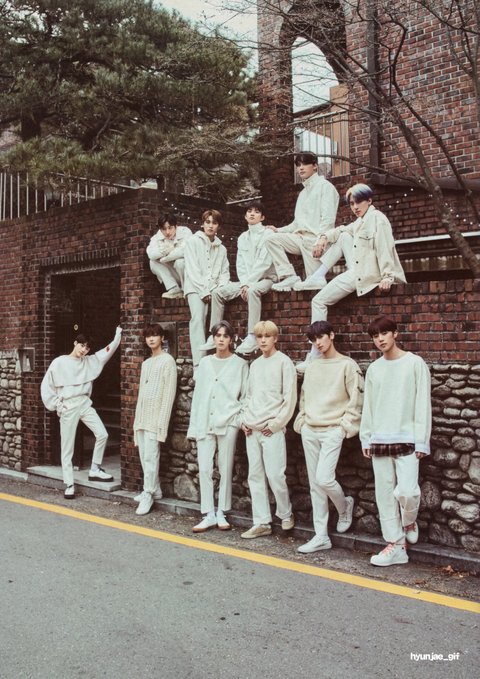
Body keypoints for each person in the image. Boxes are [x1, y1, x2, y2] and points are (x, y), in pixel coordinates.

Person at [295, 184, 407, 371]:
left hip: (365, 274)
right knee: (343, 236)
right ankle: (318, 275)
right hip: (356, 268)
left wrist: (388, 276)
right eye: (352, 204)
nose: (355, 207)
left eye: (358, 202)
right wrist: (322, 238)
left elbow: (385, 247)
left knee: (318, 301)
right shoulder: (360, 222)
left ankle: (315, 355)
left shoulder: (378, 219)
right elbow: (340, 230)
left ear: (369, 200)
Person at [360, 316, 432, 567]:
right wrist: (366, 437)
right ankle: (396, 545)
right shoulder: (374, 369)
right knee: (384, 494)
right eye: (375, 336)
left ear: (395, 333)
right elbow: (368, 406)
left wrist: (422, 441)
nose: (380, 339)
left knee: (408, 492)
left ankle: (409, 521)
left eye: (384, 333)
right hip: (379, 438)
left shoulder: (415, 363)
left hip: (408, 439)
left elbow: (423, 404)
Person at [294, 321, 363, 553]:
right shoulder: (313, 366)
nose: (318, 343)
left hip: (333, 428)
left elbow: (356, 400)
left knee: (324, 478)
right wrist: (303, 421)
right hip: (310, 428)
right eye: (313, 340)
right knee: (315, 484)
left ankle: (344, 507)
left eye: (321, 337)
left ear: (331, 335)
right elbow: (304, 396)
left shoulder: (347, 365)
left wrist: (344, 427)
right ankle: (321, 535)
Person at [41, 327, 122, 499]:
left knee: (102, 434)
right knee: (67, 447)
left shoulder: (89, 361)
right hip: (68, 405)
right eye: (82, 345)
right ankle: (69, 483)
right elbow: (46, 387)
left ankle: (95, 468)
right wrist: (57, 405)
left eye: (87, 348)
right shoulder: (59, 362)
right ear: (75, 343)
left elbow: (107, 352)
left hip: (84, 403)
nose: (84, 350)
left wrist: (118, 335)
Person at [187, 321, 248, 533]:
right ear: (213, 338)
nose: (221, 339)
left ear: (231, 339)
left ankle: (222, 511)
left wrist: (237, 420)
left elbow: (245, 396)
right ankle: (208, 513)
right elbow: (198, 397)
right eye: (217, 335)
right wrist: (194, 426)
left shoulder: (240, 365)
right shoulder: (204, 363)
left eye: (225, 336)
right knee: (204, 468)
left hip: (227, 421)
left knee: (225, 467)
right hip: (205, 421)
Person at [240, 321, 296, 539]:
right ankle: (262, 521)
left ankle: (286, 514)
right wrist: (244, 420)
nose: (262, 340)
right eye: (259, 336)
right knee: (255, 476)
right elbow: (249, 396)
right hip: (252, 429)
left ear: (275, 338)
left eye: (267, 336)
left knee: (275, 475)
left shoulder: (284, 363)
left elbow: (289, 399)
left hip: (271, 429)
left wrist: (275, 425)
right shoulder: (254, 365)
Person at [203, 202, 278, 355]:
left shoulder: (269, 234)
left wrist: (249, 284)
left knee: (252, 291)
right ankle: (214, 333)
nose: (252, 214)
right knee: (217, 293)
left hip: (266, 278)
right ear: (245, 216)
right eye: (249, 211)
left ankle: (252, 336)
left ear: (262, 217)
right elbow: (240, 264)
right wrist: (244, 283)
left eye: (257, 212)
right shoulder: (242, 238)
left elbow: (264, 263)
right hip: (246, 282)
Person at [264, 152, 339, 291]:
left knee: (316, 283)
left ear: (315, 166)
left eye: (305, 164)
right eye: (298, 165)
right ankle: (289, 276)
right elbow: (297, 224)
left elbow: (328, 220)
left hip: (315, 241)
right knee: (271, 239)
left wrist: (320, 241)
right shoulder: (303, 194)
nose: (301, 168)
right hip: (300, 239)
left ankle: (315, 279)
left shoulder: (326, 187)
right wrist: (278, 230)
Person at [133, 323, 177, 516]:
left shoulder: (168, 361)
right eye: (148, 336)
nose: (151, 339)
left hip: (155, 418)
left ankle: (148, 494)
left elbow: (168, 395)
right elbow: (142, 394)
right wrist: (137, 421)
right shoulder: (146, 363)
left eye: (155, 335)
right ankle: (155, 489)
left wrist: (162, 424)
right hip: (143, 417)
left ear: (162, 338)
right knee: (144, 456)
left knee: (151, 457)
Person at [183, 209, 231, 371]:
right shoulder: (192, 242)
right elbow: (192, 269)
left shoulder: (221, 248)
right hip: (195, 287)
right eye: (208, 222)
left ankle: (215, 358)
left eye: (214, 223)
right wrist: (203, 291)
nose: (211, 226)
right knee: (198, 319)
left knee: (217, 323)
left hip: (214, 289)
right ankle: (198, 365)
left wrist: (219, 288)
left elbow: (225, 272)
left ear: (219, 226)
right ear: (202, 224)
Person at [146, 213, 192, 299]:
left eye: (170, 228)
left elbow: (184, 251)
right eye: (164, 229)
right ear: (160, 229)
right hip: (173, 273)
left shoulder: (185, 232)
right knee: (152, 262)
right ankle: (174, 289)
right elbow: (151, 254)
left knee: (180, 262)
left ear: (176, 226)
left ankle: (187, 289)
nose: (167, 232)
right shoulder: (156, 237)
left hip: (187, 273)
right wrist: (166, 250)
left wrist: (165, 258)